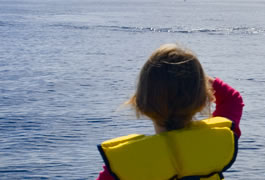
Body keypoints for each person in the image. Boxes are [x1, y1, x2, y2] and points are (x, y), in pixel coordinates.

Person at [96, 44, 244, 180]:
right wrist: (193, 77)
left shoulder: (123, 165)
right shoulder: (219, 138)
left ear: (140, 103)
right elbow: (232, 100)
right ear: (202, 101)